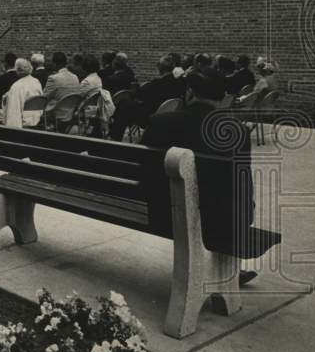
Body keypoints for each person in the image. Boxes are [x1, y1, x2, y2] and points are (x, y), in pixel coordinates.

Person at [142, 66, 258, 285]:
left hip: (162, 215)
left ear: (189, 92)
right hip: (216, 221)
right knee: (232, 198)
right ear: (223, 97)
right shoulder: (236, 130)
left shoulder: (160, 122)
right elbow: (242, 184)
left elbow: (143, 171)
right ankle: (228, 272)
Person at [108, 55, 184, 141]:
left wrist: (135, 88)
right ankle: (116, 134)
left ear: (159, 67)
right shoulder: (179, 82)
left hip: (151, 116)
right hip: (169, 115)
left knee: (124, 105)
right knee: (126, 106)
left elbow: (139, 95)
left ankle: (115, 137)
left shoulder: (157, 83)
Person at [2, 58, 44, 128]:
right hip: (37, 119)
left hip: (23, 122)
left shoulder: (16, 86)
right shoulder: (36, 82)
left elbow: (13, 111)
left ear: (18, 70)